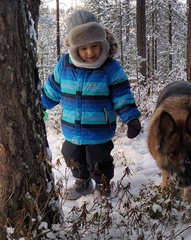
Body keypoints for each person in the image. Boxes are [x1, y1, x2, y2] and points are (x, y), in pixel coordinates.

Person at [41, 9, 141, 200]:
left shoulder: (110, 67)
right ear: (74, 48)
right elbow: (52, 91)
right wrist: (39, 105)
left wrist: (132, 118)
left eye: (94, 46)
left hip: (99, 131)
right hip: (72, 130)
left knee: (100, 160)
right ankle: (82, 183)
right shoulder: (64, 65)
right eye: (83, 48)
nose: (90, 52)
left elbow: (122, 96)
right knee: (72, 156)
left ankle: (103, 186)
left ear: (102, 43)